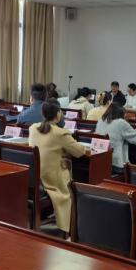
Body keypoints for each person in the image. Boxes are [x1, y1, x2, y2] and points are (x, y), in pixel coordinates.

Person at [29, 100, 85, 234]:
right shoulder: (60, 133)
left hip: (36, 176)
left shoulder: (33, 128)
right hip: (52, 178)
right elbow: (79, 152)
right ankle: (68, 226)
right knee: (72, 179)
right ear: (58, 114)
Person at [95, 103, 136, 175]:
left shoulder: (100, 121)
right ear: (121, 113)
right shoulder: (121, 122)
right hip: (116, 165)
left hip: (101, 161)